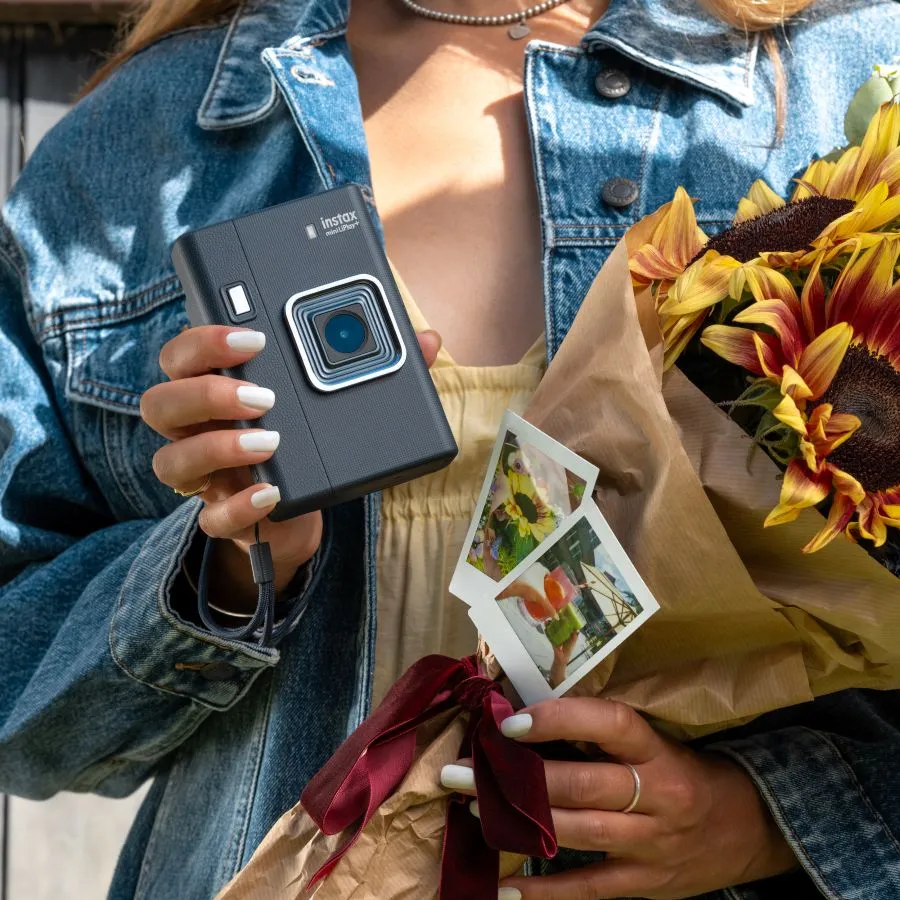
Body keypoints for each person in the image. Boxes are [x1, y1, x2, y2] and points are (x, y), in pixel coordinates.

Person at [0, 0, 897, 897]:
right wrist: (223, 574)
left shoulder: (846, 79)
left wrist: (769, 816)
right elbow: (20, 700)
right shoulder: (142, 139)